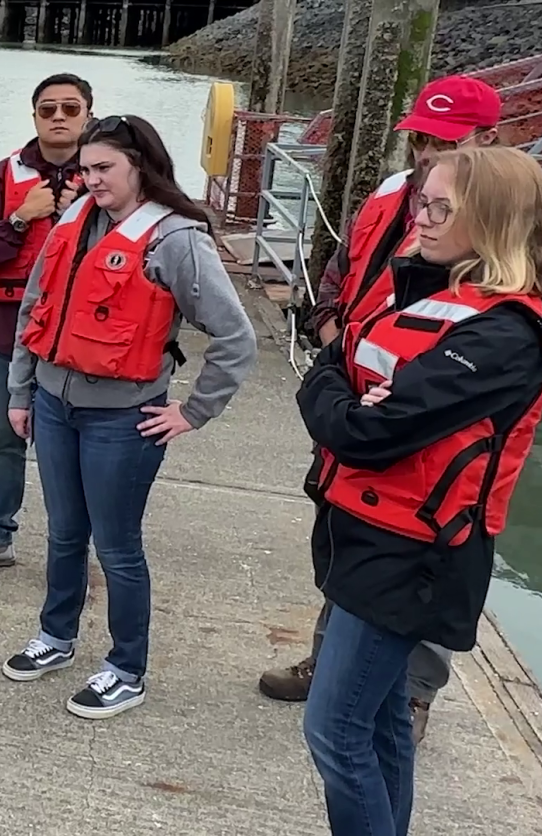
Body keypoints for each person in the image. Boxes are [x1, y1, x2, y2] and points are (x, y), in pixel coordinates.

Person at [297, 145, 542, 836]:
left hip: (416, 554)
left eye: (442, 208)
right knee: (379, 723)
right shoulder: (422, 291)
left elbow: (370, 433)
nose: (423, 220)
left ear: (493, 221)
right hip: (365, 530)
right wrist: (346, 392)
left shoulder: (507, 335)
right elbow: (332, 362)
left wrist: (345, 399)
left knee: (334, 729)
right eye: (421, 203)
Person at [259, 74, 502, 743]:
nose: (427, 153)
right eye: (421, 138)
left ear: (488, 140)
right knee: (345, 531)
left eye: (445, 142)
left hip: (429, 417)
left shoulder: (494, 226)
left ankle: (413, 692)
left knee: (428, 546)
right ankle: (331, 657)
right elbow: (340, 270)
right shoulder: (391, 195)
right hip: (355, 385)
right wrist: (331, 333)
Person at [0, 115, 257, 719]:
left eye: (104, 168)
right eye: (85, 169)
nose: (91, 180)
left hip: (123, 420)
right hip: (54, 406)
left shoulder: (176, 239)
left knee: (117, 547)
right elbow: (35, 308)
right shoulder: (75, 220)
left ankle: (126, 669)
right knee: (64, 533)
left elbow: (235, 338)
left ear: (138, 165)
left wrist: (193, 411)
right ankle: (56, 636)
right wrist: (20, 392)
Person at [0, 72, 93, 573]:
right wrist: (20, 217)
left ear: (88, 115)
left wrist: (81, 216)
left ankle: (74, 549)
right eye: (48, 109)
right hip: (13, 332)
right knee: (6, 438)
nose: (58, 118)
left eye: (70, 109)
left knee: (76, 448)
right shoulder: (2, 176)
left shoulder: (106, 175)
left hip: (80, 336)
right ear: (34, 116)